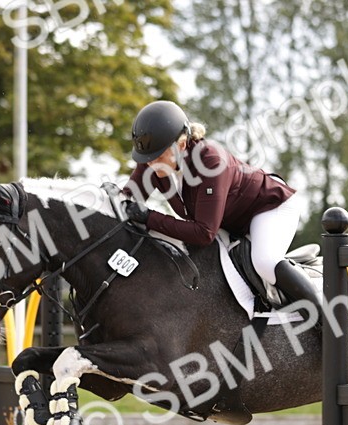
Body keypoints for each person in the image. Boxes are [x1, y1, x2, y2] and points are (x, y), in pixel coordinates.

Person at [120, 100, 322, 320]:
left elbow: (204, 233)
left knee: (265, 262)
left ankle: (327, 317)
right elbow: (126, 201)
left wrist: (150, 217)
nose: (151, 165)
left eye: (158, 158)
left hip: (270, 206)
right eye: (147, 159)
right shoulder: (153, 158)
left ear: (181, 145)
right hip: (230, 221)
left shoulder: (211, 161)